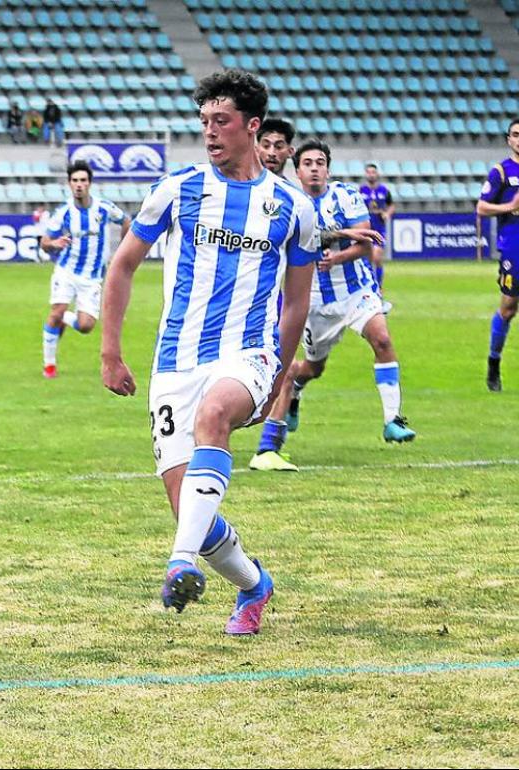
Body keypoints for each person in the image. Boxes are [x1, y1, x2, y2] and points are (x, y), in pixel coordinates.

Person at [100, 69, 320, 634]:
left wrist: (278, 379)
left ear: (252, 127)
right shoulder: (177, 189)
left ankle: (179, 563)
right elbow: (122, 265)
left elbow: (296, 303)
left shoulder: (293, 208)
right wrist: (110, 352)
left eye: (220, 121)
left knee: (214, 416)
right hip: (175, 361)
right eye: (203, 122)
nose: (210, 132)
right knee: (189, 511)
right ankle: (253, 584)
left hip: (247, 353)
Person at [261, 140, 416, 471]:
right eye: (308, 163)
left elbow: (365, 239)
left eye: (320, 162)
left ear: (328, 169)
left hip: (356, 291)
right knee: (312, 368)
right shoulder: (288, 200)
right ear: (298, 170)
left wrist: (339, 256)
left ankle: (393, 420)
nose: (315, 167)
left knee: (383, 340)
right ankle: (297, 389)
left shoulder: (345, 195)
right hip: (313, 301)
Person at [39, 161, 129, 379]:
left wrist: (122, 251)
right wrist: (54, 244)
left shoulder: (103, 208)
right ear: (69, 184)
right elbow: (44, 242)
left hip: (92, 277)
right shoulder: (63, 212)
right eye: (75, 181)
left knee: (86, 325)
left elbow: (126, 221)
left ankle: (65, 319)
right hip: (67, 271)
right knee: (56, 311)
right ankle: (49, 366)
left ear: (89, 183)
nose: (79, 185)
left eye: (83, 180)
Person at [477, 117, 519, 393]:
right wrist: (510, 206)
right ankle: (494, 362)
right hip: (513, 245)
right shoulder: (500, 172)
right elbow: (481, 207)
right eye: (516, 134)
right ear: (509, 139)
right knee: (508, 308)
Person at [359, 163, 394, 307]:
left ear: (377, 174)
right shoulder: (361, 191)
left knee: (377, 257)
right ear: (366, 174)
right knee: (367, 260)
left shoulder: (384, 191)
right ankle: (369, 288)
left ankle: (379, 287)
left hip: (379, 230)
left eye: (373, 172)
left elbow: (391, 205)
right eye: (369, 172)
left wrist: (387, 214)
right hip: (366, 230)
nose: (371, 175)